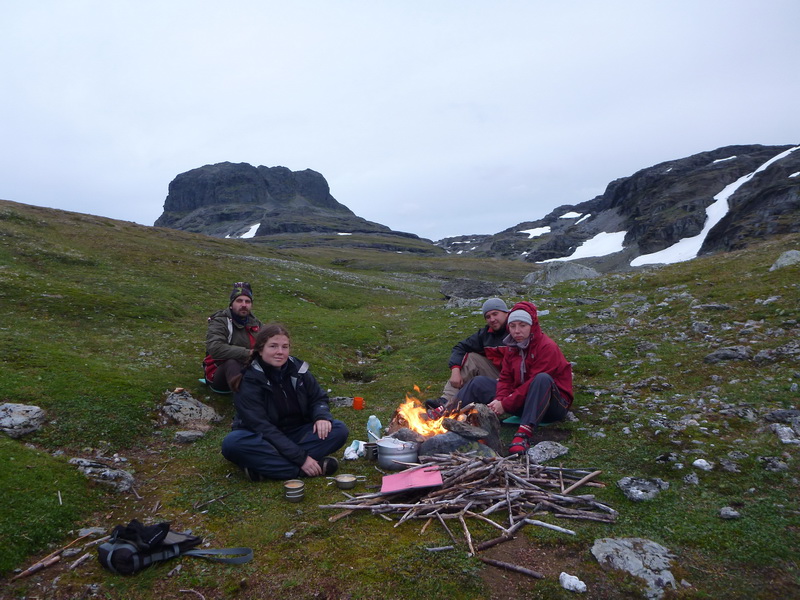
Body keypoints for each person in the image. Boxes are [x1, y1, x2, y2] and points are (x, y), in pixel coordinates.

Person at [221, 323, 349, 480]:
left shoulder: (298, 370)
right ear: (260, 350)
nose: (279, 352)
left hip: (296, 432)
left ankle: (267, 469)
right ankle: (300, 470)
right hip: (262, 437)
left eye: (284, 347)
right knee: (233, 443)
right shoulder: (249, 380)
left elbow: (318, 397)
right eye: (273, 346)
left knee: (338, 429)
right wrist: (302, 459)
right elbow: (262, 427)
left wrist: (321, 416)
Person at [456, 301, 573, 455]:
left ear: (532, 326)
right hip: (524, 401)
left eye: (522, 325)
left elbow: (532, 383)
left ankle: (524, 434)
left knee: (542, 379)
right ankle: (447, 414)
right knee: (479, 383)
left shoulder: (547, 347)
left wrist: (505, 404)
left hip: (553, 405)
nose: (517, 331)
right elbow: (505, 378)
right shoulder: (513, 347)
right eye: (512, 326)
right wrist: (499, 399)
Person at [427, 298, 510, 416]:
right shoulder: (486, 334)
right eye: (488, 316)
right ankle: (446, 400)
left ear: (506, 313)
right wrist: (455, 370)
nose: (492, 319)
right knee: (471, 357)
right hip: (498, 375)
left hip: (515, 380)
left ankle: (449, 408)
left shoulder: (517, 330)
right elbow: (460, 348)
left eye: (495, 314)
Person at [203, 282, 263, 392]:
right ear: (231, 304)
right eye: (239, 301)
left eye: (247, 301)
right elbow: (215, 349)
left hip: (248, 368)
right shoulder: (220, 321)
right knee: (232, 363)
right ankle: (246, 403)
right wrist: (249, 353)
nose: (244, 304)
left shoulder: (256, 323)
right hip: (220, 373)